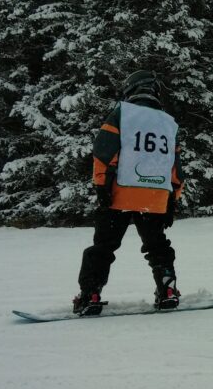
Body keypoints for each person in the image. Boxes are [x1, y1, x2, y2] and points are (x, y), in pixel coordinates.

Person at [73, 70, 184, 315]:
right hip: (155, 195)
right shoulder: (168, 122)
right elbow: (174, 166)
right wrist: (172, 199)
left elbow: (104, 151)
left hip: (120, 193)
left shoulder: (123, 113)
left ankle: (91, 294)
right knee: (157, 245)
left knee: (103, 246)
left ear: (131, 89)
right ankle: (167, 289)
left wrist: (101, 186)